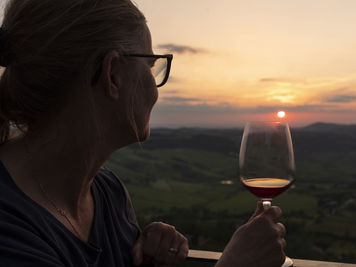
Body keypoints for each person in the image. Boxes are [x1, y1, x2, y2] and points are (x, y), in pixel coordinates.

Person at [0, 0, 287, 266]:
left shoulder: (108, 194)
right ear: (113, 74)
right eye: (150, 67)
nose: (154, 90)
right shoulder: (9, 226)